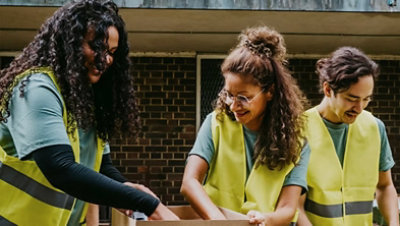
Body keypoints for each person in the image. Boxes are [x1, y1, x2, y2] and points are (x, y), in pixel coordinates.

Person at [0, 0, 179, 225]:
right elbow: (60, 168)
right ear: (69, 43)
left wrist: (125, 188)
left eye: (111, 52)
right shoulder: (36, 88)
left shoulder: (86, 102)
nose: (105, 59)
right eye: (96, 47)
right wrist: (146, 204)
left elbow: (101, 168)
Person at [181, 26, 310, 225]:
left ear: (270, 92)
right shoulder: (216, 123)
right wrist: (220, 222)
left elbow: (288, 208)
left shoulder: (297, 142)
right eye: (229, 95)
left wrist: (265, 219)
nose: (233, 105)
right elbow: (189, 183)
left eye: (244, 97)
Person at [298, 47, 399, 226]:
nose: (360, 108)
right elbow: (294, 206)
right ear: (328, 90)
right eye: (352, 99)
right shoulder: (299, 130)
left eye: (366, 99)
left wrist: (393, 223)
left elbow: (385, 185)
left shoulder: (375, 128)